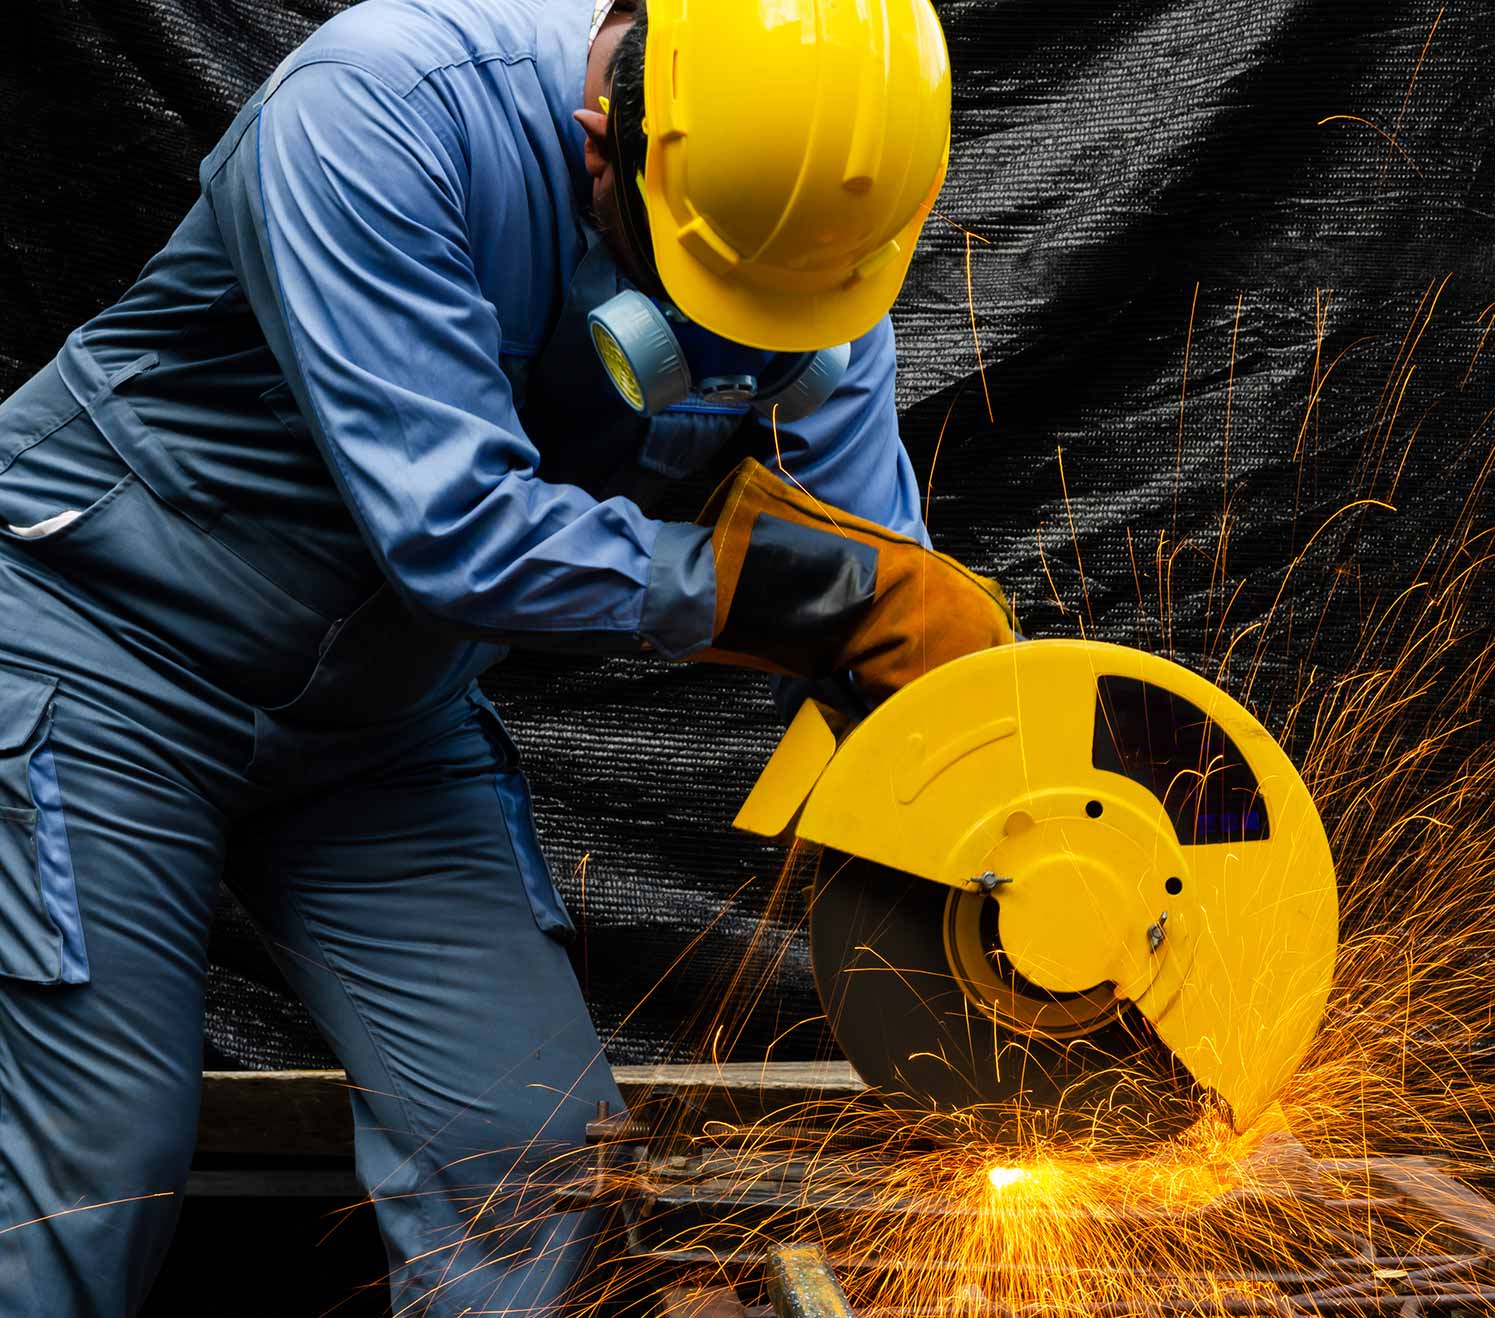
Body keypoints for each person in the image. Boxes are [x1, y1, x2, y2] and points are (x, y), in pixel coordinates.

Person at [0, 0, 1014, 1311]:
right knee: (97, 1163)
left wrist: (989, 802)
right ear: (603, 144)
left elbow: (882, 591)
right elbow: (456, 531)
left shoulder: (802, 256)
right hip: (106, 650)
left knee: (528, 1161)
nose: (746, 338)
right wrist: (774, 587)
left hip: (375, 729)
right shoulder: (384, 108)